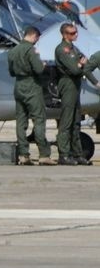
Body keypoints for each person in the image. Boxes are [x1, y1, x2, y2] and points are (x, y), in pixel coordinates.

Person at [6, 25, 55, 165]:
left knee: (21, 122)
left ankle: (23, 155)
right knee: (39, 119)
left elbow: (11, 72)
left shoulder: (13, 51)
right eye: (37, 39)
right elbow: (39, 69)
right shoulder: (31, 50)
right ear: (34, 36)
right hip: (32, 86)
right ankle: (44, 155)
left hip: (19, 86)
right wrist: (43, 64)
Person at [53, 22, 94, 166]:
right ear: (64, 34)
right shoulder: (62, 50)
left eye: (76, 32)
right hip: (68, 84)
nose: (75, 35)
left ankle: (77, 154)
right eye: (72, 33)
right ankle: (63, 154)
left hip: (75, 84)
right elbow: (76, 69)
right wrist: (80, 64)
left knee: (76, 120)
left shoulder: (73, 48)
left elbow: (82, 64)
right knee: (67, 120)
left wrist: (80, 64)